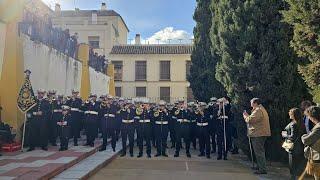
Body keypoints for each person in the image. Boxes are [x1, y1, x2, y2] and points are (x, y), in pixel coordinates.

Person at [243, 98, 271, 174]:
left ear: (255, 103)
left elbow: (250, 120)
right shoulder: (259, 109)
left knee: (259, 152)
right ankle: (260, 166)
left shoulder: (258, 110)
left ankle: (262, 169)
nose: (250, 104)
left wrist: (245, 116)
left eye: (251, 102)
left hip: (259, 134)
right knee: (259, 151)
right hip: (259, 133)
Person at [282, 108, 307, 180]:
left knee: (292, 164)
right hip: (300, 146)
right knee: (298, 164)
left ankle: (293, 178)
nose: (289, 113)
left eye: (291, 113)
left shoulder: (293, 124)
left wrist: (285, 135)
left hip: (293, 147)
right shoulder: (301, 123)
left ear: (294, 115)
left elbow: (293, 136)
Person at [301, 106, 320, 180]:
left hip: (317, 158)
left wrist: (303, 136)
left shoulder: (318, 127)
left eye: (308, 116)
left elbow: (306, 140)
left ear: (313, 116)